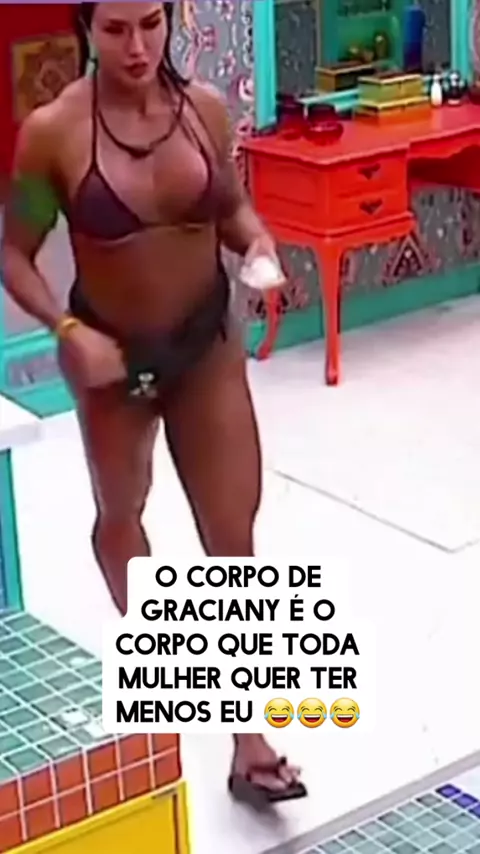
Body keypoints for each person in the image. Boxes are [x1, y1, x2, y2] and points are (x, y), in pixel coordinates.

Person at [1, 1, 306, 807]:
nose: (136, 46)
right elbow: (14, 255)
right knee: (121, 518)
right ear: (86, 30)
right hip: (113, 361)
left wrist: (259, 241)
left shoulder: (205, 111)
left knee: (233, 543)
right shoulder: (54, 133)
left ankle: (247, 738)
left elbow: (231, 209)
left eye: (149, 23)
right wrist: (66, 328)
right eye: (115, 29)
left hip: (205, 347)